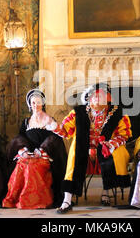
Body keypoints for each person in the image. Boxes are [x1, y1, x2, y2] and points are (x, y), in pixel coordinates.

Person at [53, 83, 132, 214]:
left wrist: (111, 144)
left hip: (106, 148)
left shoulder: (117, 113)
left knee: (114, 152)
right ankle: (67, 200)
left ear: (108, 97)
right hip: (84, 149)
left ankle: (106, 192)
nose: (97, 98)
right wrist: (53, 126)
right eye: (94, 96)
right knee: (75, 150)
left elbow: (124, 135)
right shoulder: (78, 113)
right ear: (89, 98)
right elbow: (66, 131)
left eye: (101, 95)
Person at [3, 89, 67, 209]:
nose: (36, 105)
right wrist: (24, 151)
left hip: (45, 155)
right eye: (33, 103)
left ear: (43, 103)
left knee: (33, 167)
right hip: (28, 154)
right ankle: (15, 198)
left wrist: (41, 151)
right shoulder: (26, 122)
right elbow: (20, 138)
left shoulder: (50, 120)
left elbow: (55, 139)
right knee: (22, 165)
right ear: (29, 105)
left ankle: (35, 201)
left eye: (38, 102)